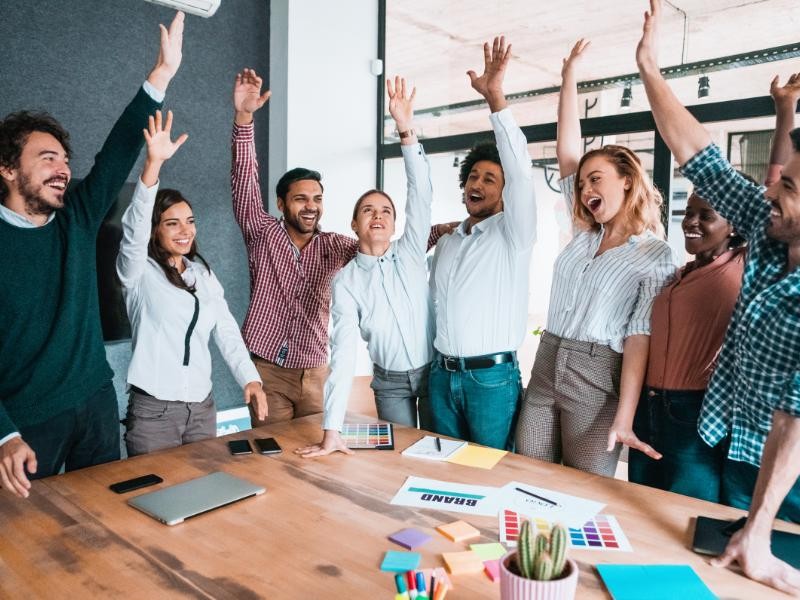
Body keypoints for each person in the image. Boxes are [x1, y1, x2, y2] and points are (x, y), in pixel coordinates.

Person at [637, 1, 800, 593]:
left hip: (790, 470)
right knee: (713, 574)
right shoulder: (765, 226)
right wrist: (650, 70)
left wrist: (758, 528)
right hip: (730, 439)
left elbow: (795, 422)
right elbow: (698, 156)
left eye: (790, 186)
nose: (772, 189)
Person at [0, 12, 185, 498]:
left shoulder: (75, 220)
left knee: (107, 516)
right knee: (26, 537)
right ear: (7, 170)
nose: (63, 169)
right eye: (47, 159)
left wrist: (160, 75)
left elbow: (116, 154)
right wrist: (4, 433)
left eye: (65, 159)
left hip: (96, 399)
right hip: (26, 420)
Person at [230, 69, 450, 428]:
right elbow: (244, 181)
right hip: (268, 368)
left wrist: (451, 229)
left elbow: (383, 243)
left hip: (315, 370)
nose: (311, 206)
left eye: (317, 199)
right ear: (281, 204)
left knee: (316, 451)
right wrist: (244, 119)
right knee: (275, 454)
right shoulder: (262, 232)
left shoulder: (336, 246)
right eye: (300, 199)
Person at [515, 39, 678, 477]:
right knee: (528, 472)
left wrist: (625, 415)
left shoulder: (654, 254)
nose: (586, 189)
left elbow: (638, 338)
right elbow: (568, 148)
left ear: (626, 181)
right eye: (583, 181)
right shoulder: (585, 234)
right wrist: (568, 76)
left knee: (586, 487)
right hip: (548, 361)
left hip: (597, 374)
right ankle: (523, 547)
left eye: (597, 179)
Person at [295, 77, 435, 458]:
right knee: (400, 460)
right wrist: (331, 430)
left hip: (435, 374)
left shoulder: (410, 252)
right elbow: (341, 357)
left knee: (441, 458)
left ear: (394, 223)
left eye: (386, 210)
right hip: (389, 385)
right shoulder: (347, 282)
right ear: (354, 224)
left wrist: (406, 131)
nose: (379, 215)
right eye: (368, 210)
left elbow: (421, 194)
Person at [116, 110, 267, 456]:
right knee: (154, 500)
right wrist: (152, 166)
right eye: (172, 223)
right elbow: (135, 230)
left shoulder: (202, 274)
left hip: (202, 408)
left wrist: (250, 378)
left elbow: (226, 329)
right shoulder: (137, 273)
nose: (185, 230)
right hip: (155, 412)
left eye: (190, 221)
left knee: (203, 493)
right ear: (156, 229)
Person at [427, 36, 536, 451]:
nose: (477, 183)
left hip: (490, 380)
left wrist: (496, 100)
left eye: (490, 179)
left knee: (491, 475)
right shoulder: (450, 242)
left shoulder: (514, 234)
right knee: (442, 475)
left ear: (506, 194)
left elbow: (522, 175)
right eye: (473, 177)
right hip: (441, 376)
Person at [628, 189, 745, 501]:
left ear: (733, 224)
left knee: (687, 512)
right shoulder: (679, 273)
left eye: (705, 216)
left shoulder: (744, 264)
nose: (691, 222)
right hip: (648, 406)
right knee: (639, 502)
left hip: (695, 412)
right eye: (689, 212)